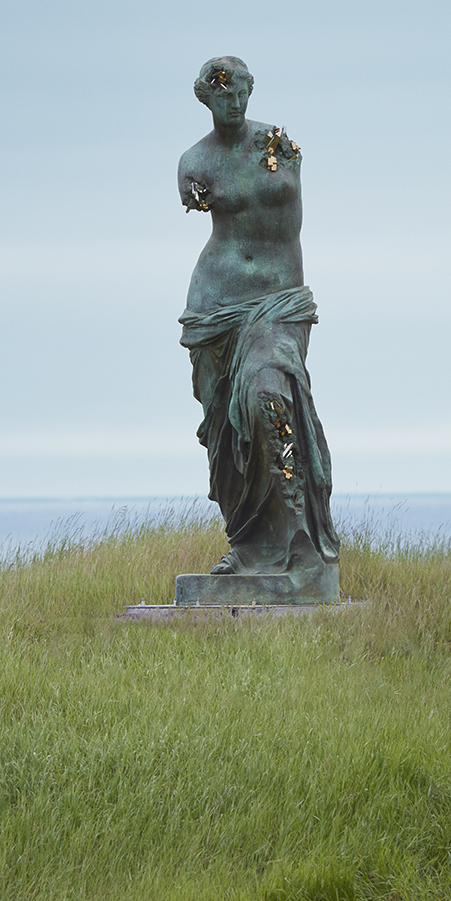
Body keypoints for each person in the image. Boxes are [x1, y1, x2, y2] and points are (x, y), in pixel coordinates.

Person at [177, 57, 339, 590]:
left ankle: (301, 542)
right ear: (205, 97)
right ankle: (248, 546)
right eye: (223, 93)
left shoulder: (277, 147)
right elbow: (198, 201)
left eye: (242, 90)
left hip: (280, 303)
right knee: (227, 433)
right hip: (217, 311)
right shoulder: (194, 163)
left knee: (268, 394)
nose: (235, 101)